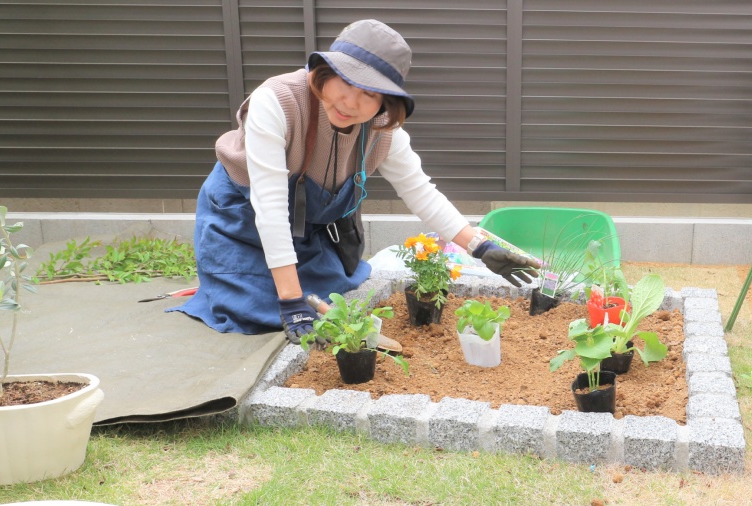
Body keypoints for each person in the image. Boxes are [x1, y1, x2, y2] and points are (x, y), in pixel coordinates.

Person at [169, 19, 539, 343]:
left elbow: (422, 192)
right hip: (241, 221)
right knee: (256, 311)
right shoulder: (277, 101)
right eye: (345, 82)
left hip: (302, 232)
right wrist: (290, 300)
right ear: (325, 72)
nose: (349, 102)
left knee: (338, 295)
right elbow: (269, 208)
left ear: (386, 102)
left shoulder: (383, 132)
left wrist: (480, 247)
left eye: (370, 94)